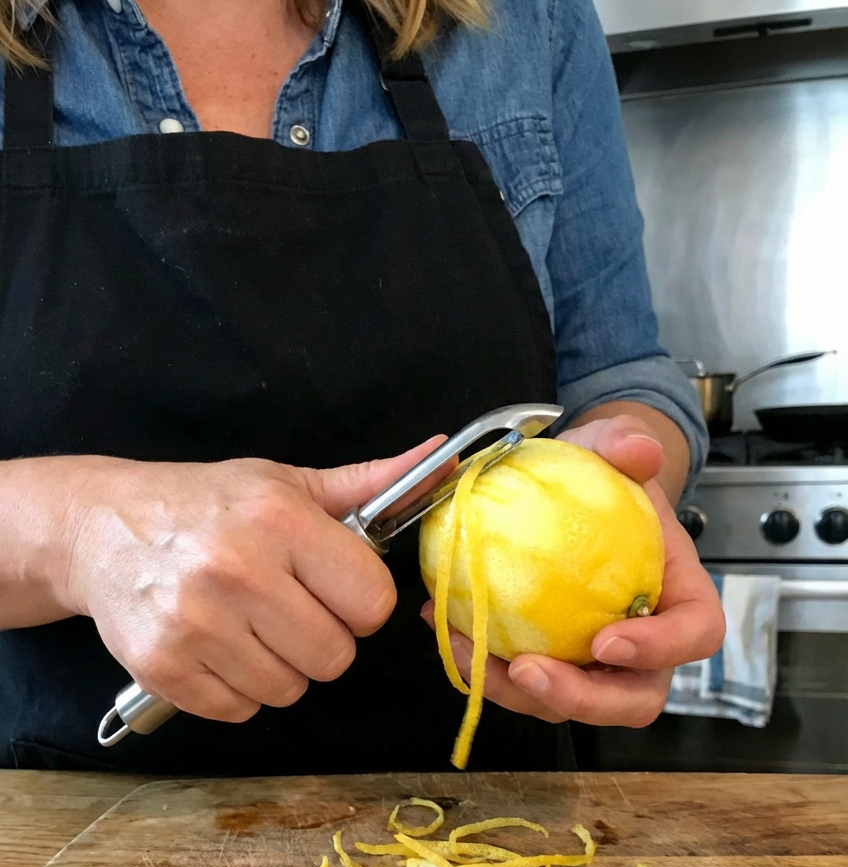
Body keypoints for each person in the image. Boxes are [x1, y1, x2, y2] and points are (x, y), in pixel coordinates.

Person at [0, 0, 724, 776]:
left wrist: (622, 489)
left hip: (489, 815)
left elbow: (615, 372)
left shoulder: (528, 18)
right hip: (63, 820)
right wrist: (79, 532)